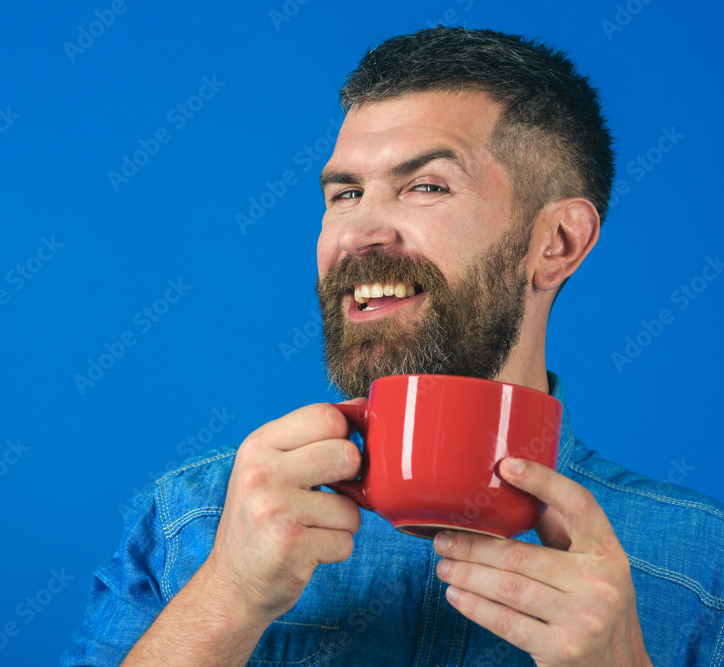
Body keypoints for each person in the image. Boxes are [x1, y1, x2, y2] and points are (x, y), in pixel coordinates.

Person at [61, 27, 724, 666]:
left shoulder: (703, 565)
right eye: (346, 193)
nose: (358, 233)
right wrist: (222, 602)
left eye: (426, 186)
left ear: (557, 243)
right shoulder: (193, 519)